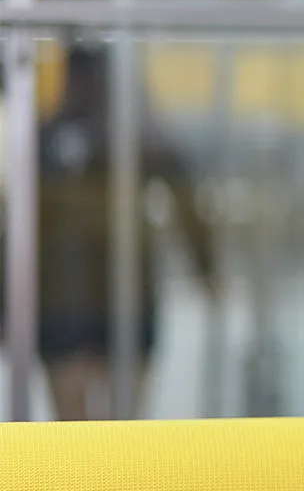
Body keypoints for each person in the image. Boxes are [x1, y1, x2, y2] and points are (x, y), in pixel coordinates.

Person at [0, 39, 220, 420]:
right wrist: (205, 270)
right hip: (77, 300)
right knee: (89, 433)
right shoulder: (55, 138)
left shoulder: (117, 136)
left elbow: (186, 203)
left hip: (101, 297)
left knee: (102, 433)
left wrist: (206, 268)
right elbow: (18, 228)